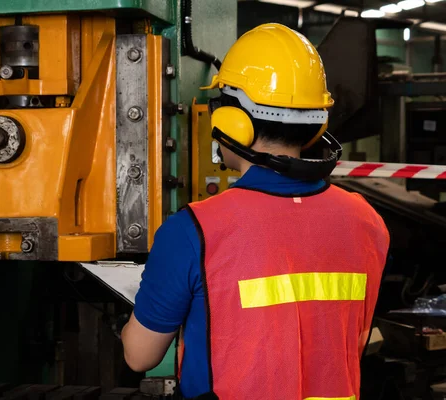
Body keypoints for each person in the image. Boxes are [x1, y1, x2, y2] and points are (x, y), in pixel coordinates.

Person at [121, 23, 390, 400]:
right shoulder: (368, 222)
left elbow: (139, 356)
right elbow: (353, 340)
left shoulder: (193, 230)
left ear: (234, 123)